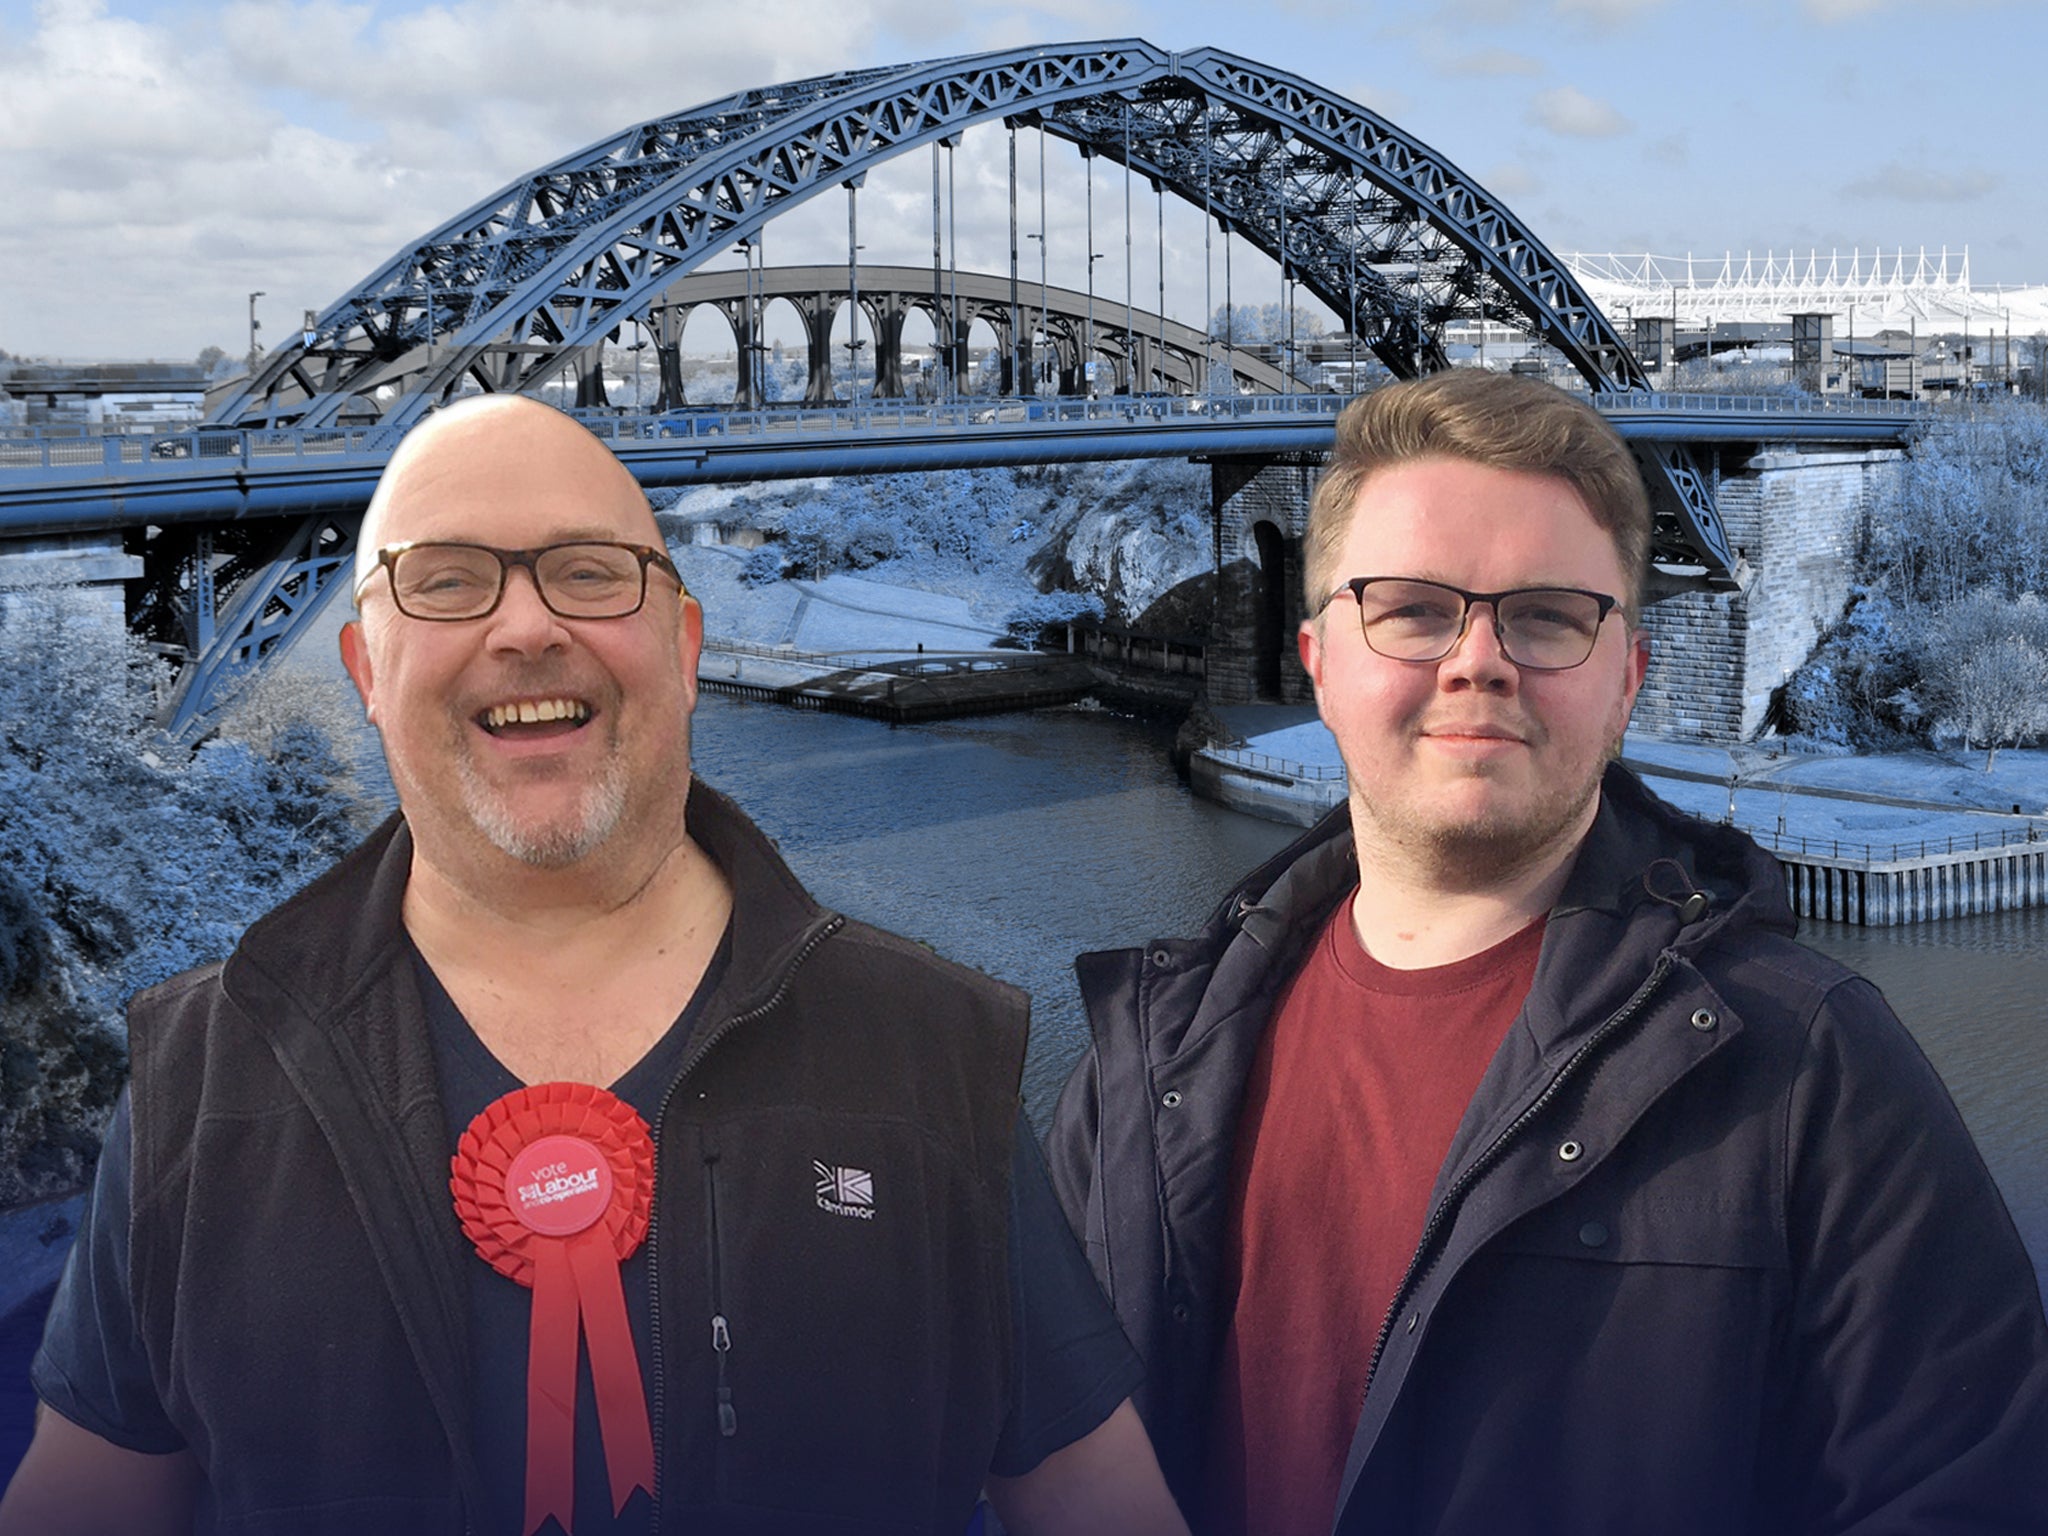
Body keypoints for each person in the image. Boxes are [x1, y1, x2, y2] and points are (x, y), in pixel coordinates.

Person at [3, 395, 1188, 1536]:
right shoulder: (195, 1085)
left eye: (587, 570)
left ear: (681, 645)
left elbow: (1096, 1496)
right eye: (449, 580)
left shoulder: (934, 1049)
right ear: (366, 671)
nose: (526, 630)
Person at [1047, 370, 2048, 1535]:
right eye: (1413, 609)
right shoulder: (1136, 1061)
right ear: (1316, 660)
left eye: (1546, 616)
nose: (1478, 660)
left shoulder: (1811, 1073)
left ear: (1624, 680)